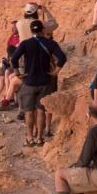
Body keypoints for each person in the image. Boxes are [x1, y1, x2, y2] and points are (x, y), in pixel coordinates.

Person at [10, 19, 67, 147]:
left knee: (29, 111)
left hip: (29, 82)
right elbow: (62, 58)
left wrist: (18, 72)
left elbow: (14, 59)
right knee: (41, 110)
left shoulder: (25, 43)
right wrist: (55, 72)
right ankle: (40, 138)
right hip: (45, 82)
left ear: (31, 31)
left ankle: (30, 138)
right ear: (42, 30)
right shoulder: (50, 43)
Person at [0, 21, 21, 110]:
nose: (12, 29)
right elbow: (8, 52)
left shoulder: (21, 38)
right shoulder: (11, 38)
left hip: (16, 62)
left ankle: (9, 98)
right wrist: (4, 59)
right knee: (1, 75)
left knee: (7, 73)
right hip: (10, 61)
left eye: (14, 27)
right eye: (11, 27)